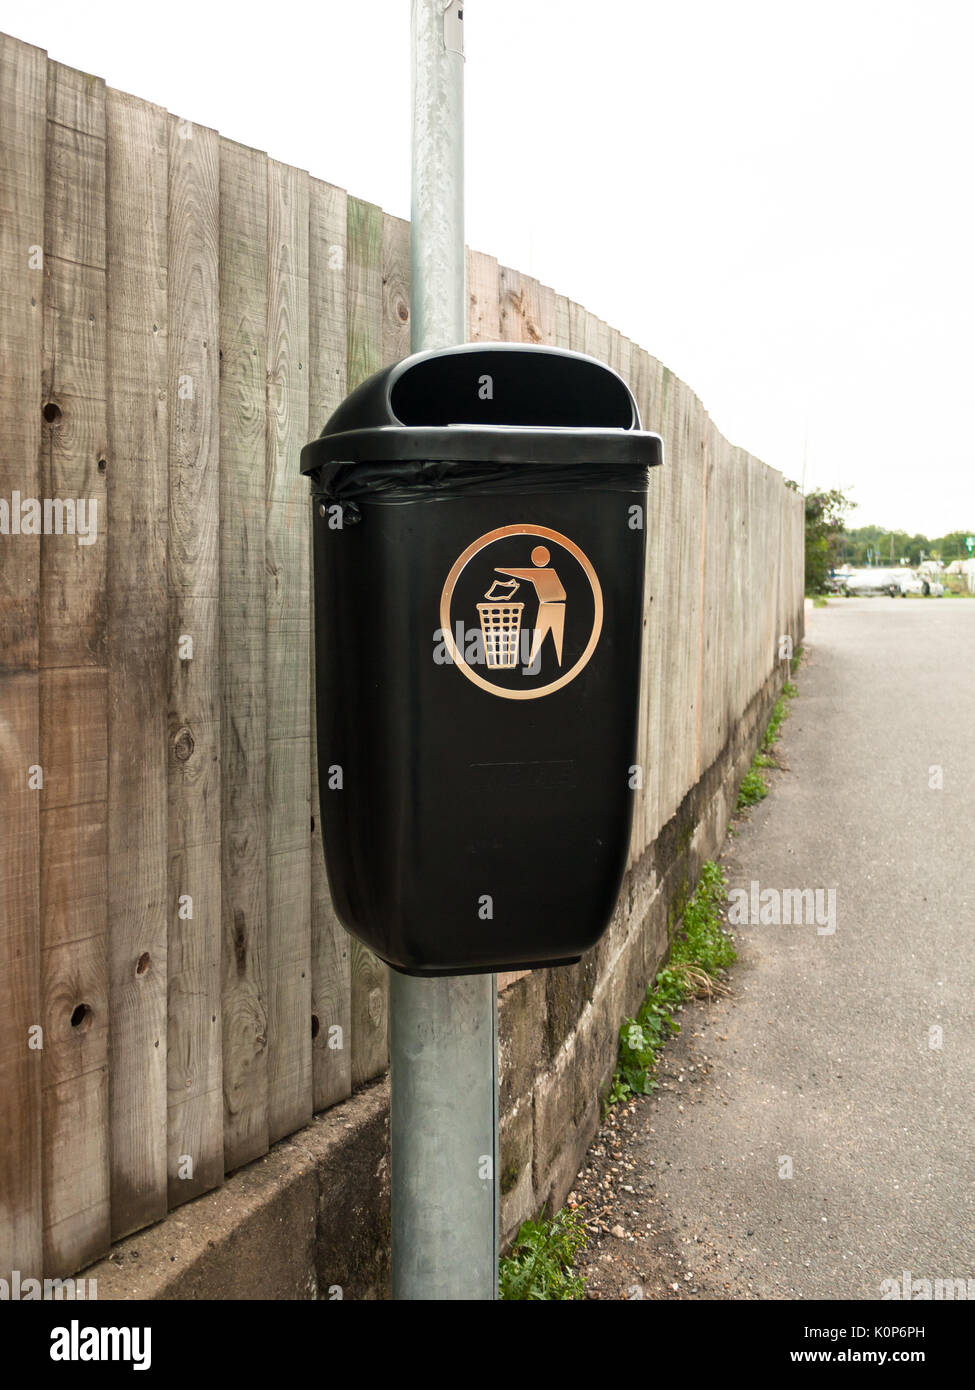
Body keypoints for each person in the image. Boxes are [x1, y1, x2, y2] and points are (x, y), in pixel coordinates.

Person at [494, 546, 566, 667]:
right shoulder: (549, 572)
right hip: (553, 606)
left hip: (552, 606)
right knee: (548, 638)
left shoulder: (545, 572)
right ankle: (543, 663)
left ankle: (543, 663)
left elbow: (523, 573)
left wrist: (501, 569)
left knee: (545, 637)